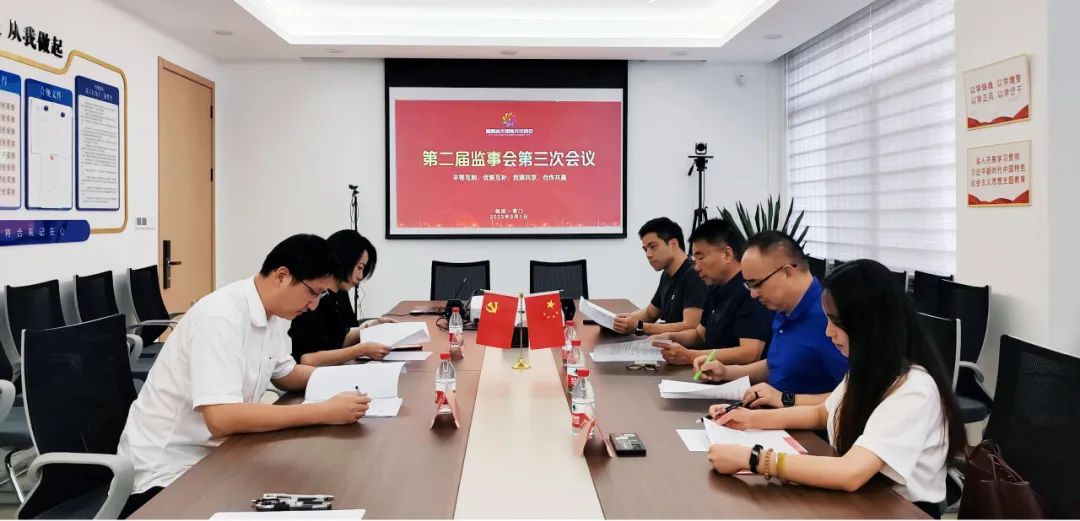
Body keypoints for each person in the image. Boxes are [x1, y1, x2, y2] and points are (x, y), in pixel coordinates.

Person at [117, 234, 372, 518]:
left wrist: (355, 382)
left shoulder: (272, 314)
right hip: (166, 475)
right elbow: (221, 418)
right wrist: (322, 412)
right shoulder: (221, 317)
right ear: (282, 276)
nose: (314, 305)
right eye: (314, 293)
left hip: (219, 456)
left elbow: (287, 374)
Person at [704, 259, 965, 518]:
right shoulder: (869, 367)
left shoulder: (914, 388)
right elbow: (823, 412)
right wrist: (749, 419)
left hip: (899, 509)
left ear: (869, 324)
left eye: (836, 322)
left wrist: (754, 459)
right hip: (864, 499)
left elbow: (851, 473)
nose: (829, 333)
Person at [692, 231, 847, 407]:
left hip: (808, 423)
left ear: (787, 272)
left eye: (757, 284)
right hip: (772, 415)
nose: (753, 294)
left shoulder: (830, 317)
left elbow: (852, 396)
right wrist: (727, 372)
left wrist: (785, 399)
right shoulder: (784, 307)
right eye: (748, 285)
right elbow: (779, 364)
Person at [648, 219, 773, 366]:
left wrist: (690, 356)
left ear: (727, 254)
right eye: (695, 259)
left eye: (701, 258)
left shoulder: (750, 291)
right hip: (711, 371)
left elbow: (749, 353)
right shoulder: (715, 287)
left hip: (739, 377)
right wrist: (671, 337)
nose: (696, 267)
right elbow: (700, 335)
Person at [288, 230, 395, 366]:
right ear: (344, 260)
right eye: (359, 268)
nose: (361, 276)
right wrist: (361, 349)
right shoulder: (315, 298)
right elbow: (307, 360)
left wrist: (372, 326)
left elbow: (339, 339)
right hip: (313, 375)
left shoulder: (339, 293)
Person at [612, 217, 707, 336]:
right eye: (645, 249)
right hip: (667, 344)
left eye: (653, 247)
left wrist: (639, 326)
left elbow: (691, 326)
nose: (648, 255)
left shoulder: (694, 275)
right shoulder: (667, 274)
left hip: (682, 346)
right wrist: (619, 321)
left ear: (673, 244)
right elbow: (650, 313)